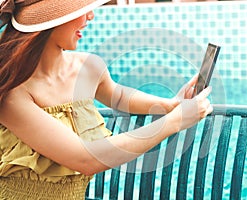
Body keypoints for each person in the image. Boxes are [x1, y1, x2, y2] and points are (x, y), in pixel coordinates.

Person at [0, 0, 213, 199]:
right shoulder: (11, 92)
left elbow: (118, 95)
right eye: (80, 9)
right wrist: (174, 121)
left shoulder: (88, 67)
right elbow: (85, 159)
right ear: (52, 19)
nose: (90, 16)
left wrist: (170, 105)